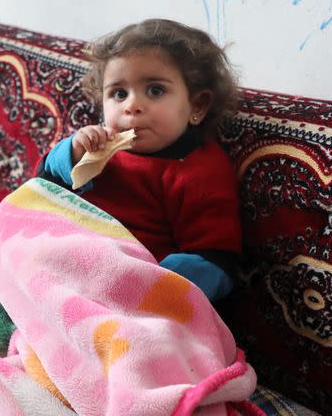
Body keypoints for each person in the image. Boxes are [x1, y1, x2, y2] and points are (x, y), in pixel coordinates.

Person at [38, 18, 242, 301]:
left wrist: (146, 287)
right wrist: (72, 152)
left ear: (197, 105)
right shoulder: (99, 146)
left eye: (155, 90)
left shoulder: (200, 170)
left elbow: (216, 262)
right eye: (119, 94)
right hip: (66, 269)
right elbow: (42, 190)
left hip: (139, 291)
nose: (131, 106)